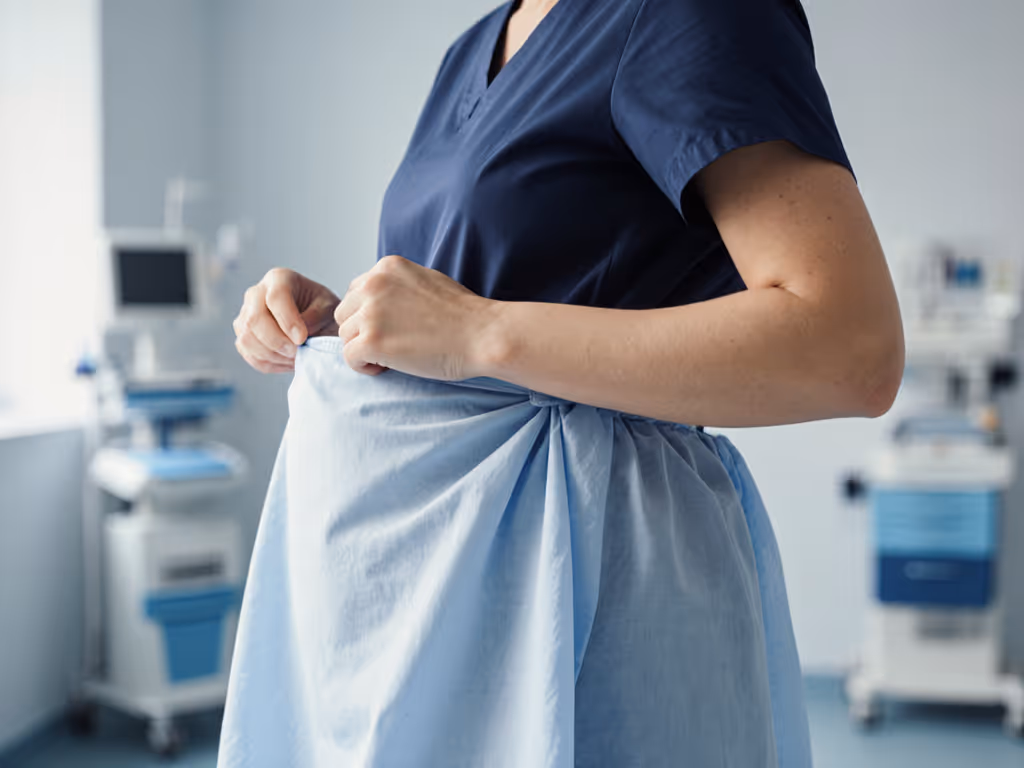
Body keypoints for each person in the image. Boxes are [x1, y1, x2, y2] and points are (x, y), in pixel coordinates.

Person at [227, 0, 904, 765]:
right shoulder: (476, 47)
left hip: (578, 570)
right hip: (415, 593)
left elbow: (852, 346)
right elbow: (472, 299)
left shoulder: (686, 13)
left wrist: (483, 331)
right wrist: (345, 322)